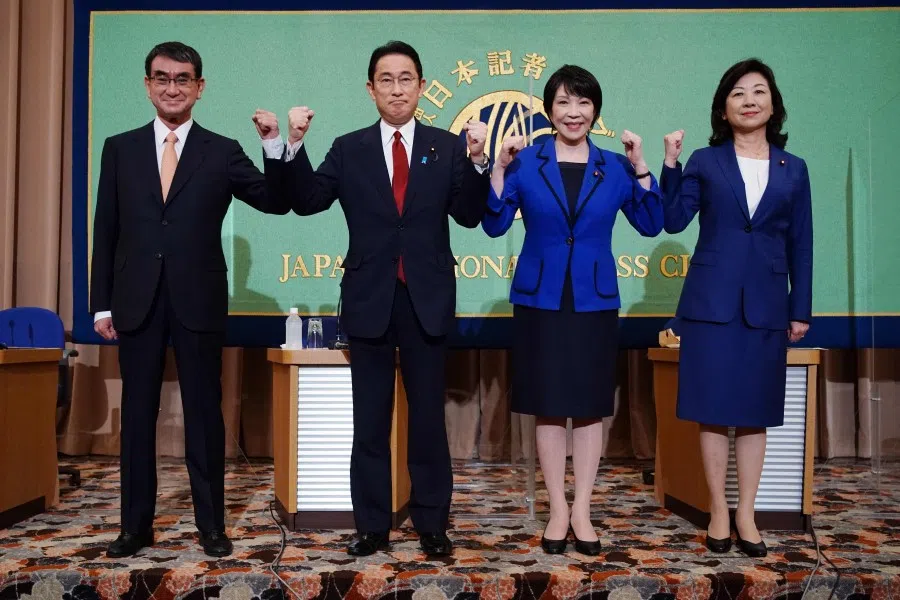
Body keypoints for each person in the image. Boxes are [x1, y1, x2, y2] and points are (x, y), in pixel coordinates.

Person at [262, 40, 490, 557]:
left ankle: (432, 524)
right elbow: (307, 202)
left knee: (428, 420)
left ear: (422, 86)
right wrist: (291, 144)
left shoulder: (448, 146)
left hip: (426, 298)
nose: (396, 88)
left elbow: (470, 215)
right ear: (370, 89)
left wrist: (478, 162)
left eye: (405, 78)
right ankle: (371, 526)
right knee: (369, 422)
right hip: (368, 298)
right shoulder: (349, 148)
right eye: (385, 80)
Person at [90, 41, 292, 558]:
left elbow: (272, 200)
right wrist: (102, 303)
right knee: (137, 416)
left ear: (200, 87)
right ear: (147, 84)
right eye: (162, 77)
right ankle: (134, 527)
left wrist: (273, 145)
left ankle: (211, 526)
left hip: (198, 300)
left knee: (205, 415)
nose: (172, 87)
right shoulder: (120, 147)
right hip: (135, 300)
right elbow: (106, 229)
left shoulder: (221, 150)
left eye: (183, 79)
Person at [482, 65, 664, 555]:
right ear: (549, 109)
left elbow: (651, 223)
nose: (573, 112)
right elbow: (495, 227)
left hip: (593, 299)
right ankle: (556, 509)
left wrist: (643, 165)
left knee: (587, 407)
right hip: (540, 298)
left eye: (583, 103)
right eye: (563, 102)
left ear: (595, 110)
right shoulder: (526, 161)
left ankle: (582, 507)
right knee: (548, 404)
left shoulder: (616, 166)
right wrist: (497, 169)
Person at [660, 58, 813, 557]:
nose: (749, 100)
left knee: (754, 414)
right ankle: (718, 511)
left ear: (774, 105)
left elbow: (802, 244)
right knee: (711, 412)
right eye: (738, 93)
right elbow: (674, 220)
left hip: (767, 305)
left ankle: (745, 512)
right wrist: (669, 165)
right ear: (723, 109)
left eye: (759, 91)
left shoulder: (795, 169)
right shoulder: (706, 161)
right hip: (711, 304)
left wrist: (800, 308)